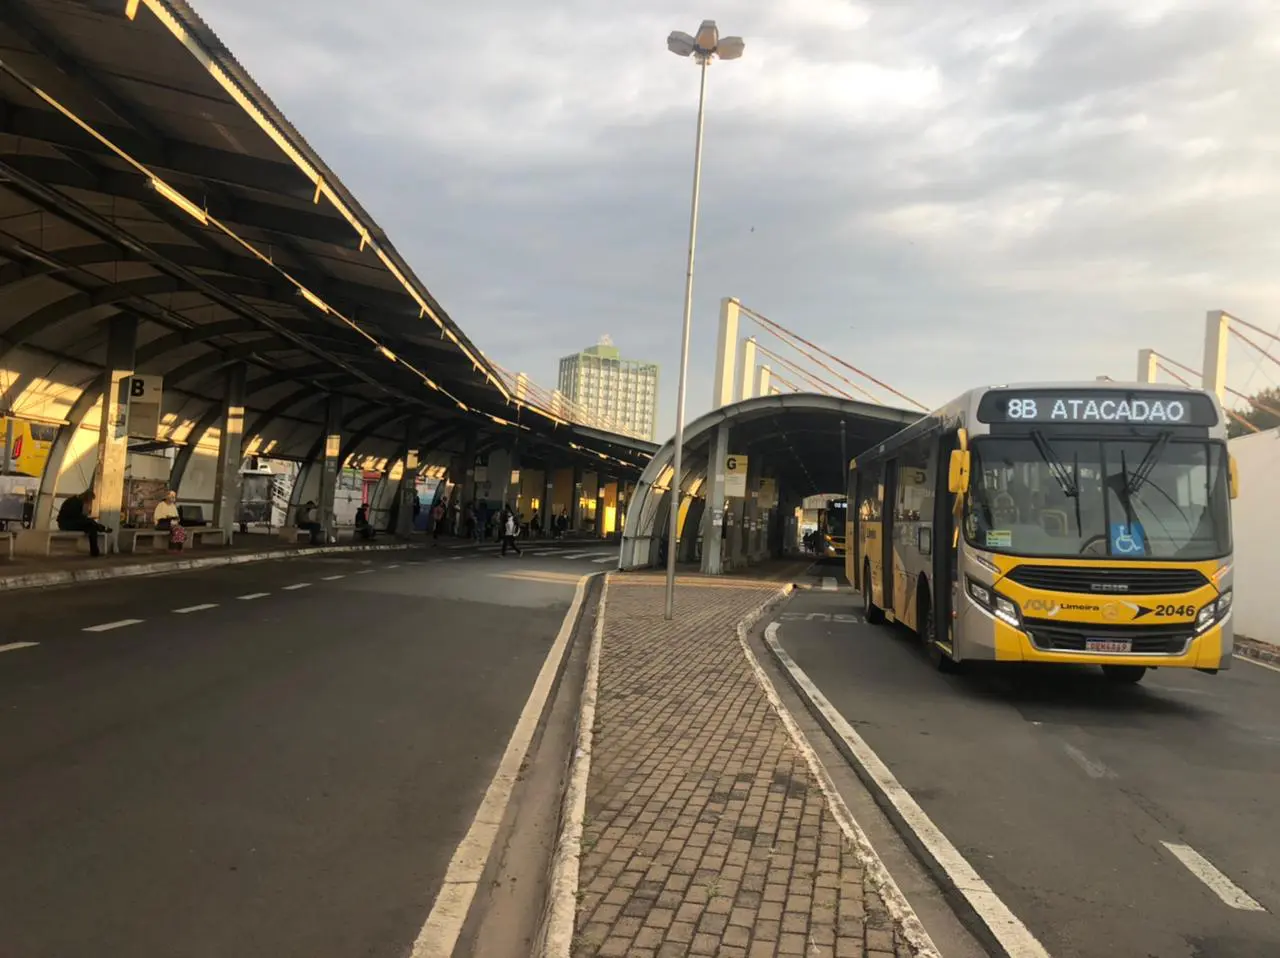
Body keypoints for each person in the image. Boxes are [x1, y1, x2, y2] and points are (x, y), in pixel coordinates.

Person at [57, 489, 108, 557]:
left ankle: (95, 552)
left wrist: (86, 520)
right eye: (88, 500)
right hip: (66, 524)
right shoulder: (72, 502)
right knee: (90, 522)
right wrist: (87, 520)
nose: (88, 502)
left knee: (92, 528)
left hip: (73, 523)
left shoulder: (78, 502)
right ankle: (101, 528)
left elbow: (79, 518)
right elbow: (76, 517)